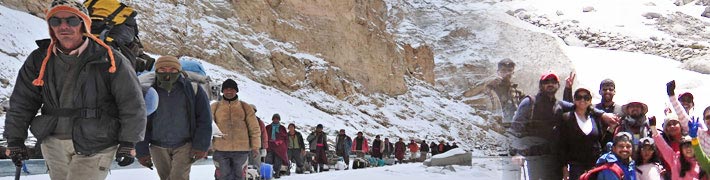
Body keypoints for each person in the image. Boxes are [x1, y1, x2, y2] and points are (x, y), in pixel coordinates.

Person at [3, 1, 146, 179]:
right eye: (56, 21)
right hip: (53, 143)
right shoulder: (39, 59)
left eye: (72, 20)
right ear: (50, 26)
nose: (64, 26)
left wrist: (128, 142)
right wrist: (15, 139)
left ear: (84, 24)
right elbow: (23, 102)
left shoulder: (108, 58)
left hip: (97, 142)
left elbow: (131, 102)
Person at [511, 72, 618, 180]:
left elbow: (581, 106)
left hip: (555, 159)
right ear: (540, 85)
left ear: (558, 85)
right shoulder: (529, 103)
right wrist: (515, 152)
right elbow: (515, 128)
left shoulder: (559, 105)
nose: (550, 84)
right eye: (546, 82)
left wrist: (602, 114)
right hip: (535, 157)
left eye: (553, 82)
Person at [135, 56, 212, 180]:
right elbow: (140, 122)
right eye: (162, 69)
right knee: (165, 177)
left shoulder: (193, 89)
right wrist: (141, 151)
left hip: (184, 145)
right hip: (157, 146)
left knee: (178, 177)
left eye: (172, 69)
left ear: (179, 71)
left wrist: (201, 146)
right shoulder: (148, 91)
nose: (167, 73)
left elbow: (204, 119)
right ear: (156, 71)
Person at [210, 79, 261, 180]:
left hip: (241, 150)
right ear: (222, 91)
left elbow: (254, 128)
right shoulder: (215, 107)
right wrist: (206, 145)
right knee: (222, 176)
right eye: (226, 89)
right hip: (220, 150)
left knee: (239, 176)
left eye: (232, 89)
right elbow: (207, 126)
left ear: (236, 91)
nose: (229, 91)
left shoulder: (245, 107)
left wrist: (255, 146)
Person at [559, 88, 604, 180]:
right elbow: (561, 144)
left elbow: (600, 140)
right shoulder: (566, 118)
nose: (582, 100)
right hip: (575, 167)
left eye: (586, 97)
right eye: (579, 97)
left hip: (594, 166)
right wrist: (564, 167)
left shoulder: (595, 118)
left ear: (590, 100)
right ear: (574, 100)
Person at [462, 58, 524, 124]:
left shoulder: (517, 92)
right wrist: (487, 83)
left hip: (512, 127)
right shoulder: (489, 87)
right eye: (503, 70)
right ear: (498, 72)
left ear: (513, 73)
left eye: (509, 70)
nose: (507, 73)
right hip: (494, 126)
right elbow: (467, 95)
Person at [265, 114, 289, 178]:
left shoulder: (282, 128)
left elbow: (285, 138)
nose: (276, 120)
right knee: (268, 160)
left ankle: (277, 173)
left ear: (279, 119)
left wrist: (284, 145)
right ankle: (268, 173)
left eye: (277, 118)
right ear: (272, 119)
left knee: (278, 161)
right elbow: (264, 136)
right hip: (269, 146)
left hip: (279, 148)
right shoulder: (268, 127)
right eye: (274, 118)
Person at [247, 105, 269, 176]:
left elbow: (264, 135)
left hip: (257, 147)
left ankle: (256, 176)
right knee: (245, 164)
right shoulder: (242, 121)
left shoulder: (259, 122)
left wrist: (264, 147)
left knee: (256, 164)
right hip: (244, 146)